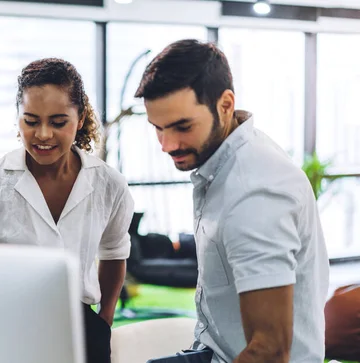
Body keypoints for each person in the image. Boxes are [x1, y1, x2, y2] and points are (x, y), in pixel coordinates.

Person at [135, 39, 329, 363]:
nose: (167, 145)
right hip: (215, 350)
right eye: (158, 128)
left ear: (225, 105)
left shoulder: (254, 195)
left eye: (182, 127)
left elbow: (269, 352)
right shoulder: (229, 154)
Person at [0, 58, 133, 363]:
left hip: (84, 332)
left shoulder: (109, 183)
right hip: (7, 330)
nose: (43, 134)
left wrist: (103, 321)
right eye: (31, 120)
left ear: (79, 119)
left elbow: (115, 253)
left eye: (58, 121)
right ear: (18, 119)